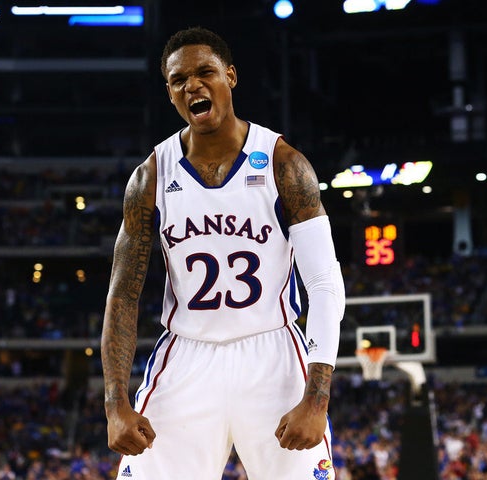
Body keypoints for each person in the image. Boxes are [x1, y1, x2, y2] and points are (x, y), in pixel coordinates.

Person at [101, 26, 346, 480]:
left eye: (204, 72)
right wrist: (115, 402)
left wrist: (316, 397)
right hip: (186, 356)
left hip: (273, 353)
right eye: (178, 80)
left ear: (230, 76)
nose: (192, 85)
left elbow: (325, 283)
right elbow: (122, 295)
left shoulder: (284, 164)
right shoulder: (151, 177)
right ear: (170, 93)